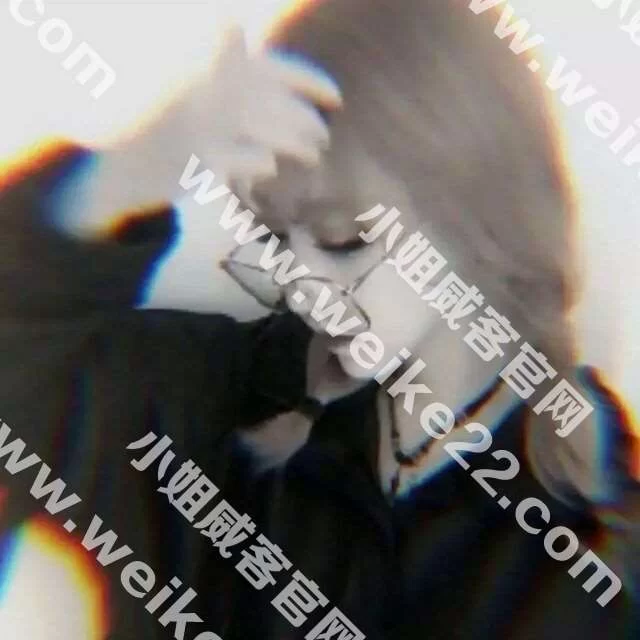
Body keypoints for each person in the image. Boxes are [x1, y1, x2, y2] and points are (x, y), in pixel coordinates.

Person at [0, 1, 638, 639]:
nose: (304, 288)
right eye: (276, 240)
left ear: (479, 222)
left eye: (342, 240)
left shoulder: (594, 540)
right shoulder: (216, 403)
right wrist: (137, 170)